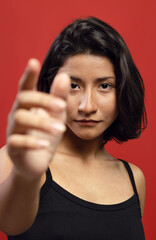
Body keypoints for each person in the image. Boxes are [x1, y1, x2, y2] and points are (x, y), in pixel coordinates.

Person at [0, 17, 147, 239]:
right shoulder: (18, 158)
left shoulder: (133, 179)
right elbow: (9, 223)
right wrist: (25, 175)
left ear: (123, 91)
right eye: (73, 85)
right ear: (53, 86)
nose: (87, 106)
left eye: (104, 86)